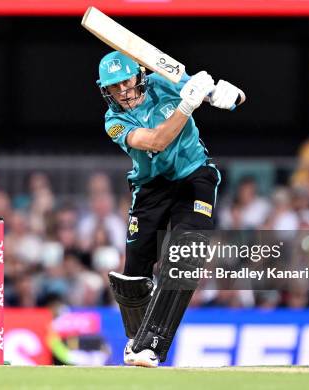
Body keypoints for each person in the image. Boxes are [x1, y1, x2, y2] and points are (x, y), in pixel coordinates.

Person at [96, 51, 245, 367]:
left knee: (187, 254)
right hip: (151, 189)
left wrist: (224, 94)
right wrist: (187, 105)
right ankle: (136, 339)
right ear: (105, 90)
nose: (122, 91)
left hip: (194, 177)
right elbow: (155, 141)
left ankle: (153, 345)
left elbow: (227, 97)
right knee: (132, 278)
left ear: (138, 76)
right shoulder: (114, 121)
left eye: (125, 81)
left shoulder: (166, 82)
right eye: (113, 87)